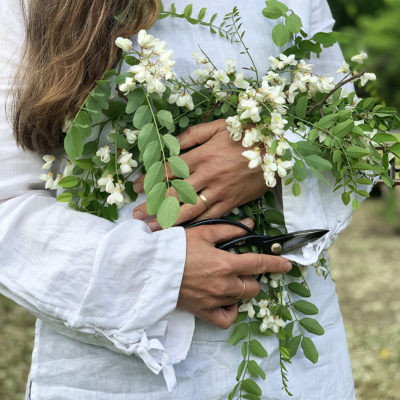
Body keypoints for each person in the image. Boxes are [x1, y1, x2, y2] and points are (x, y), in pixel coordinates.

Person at [0, 0, 357, 399]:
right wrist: (161, 274)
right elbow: (5, 202)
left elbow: (347, 131)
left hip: (294, 357)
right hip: (124, 373)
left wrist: (272, 149)